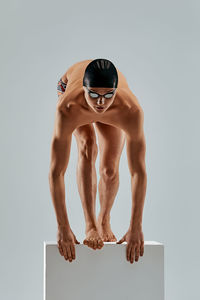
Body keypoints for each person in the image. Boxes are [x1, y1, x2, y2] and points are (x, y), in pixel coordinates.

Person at [48, 58, 147, 264]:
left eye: (107, 95)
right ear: (84, 89)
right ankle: (90, 225)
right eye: (93, 94)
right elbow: (56, 172)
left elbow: (138, 171)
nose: (100, 102)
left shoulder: (130, 110)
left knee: (109, 170)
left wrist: (135, 226)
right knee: (88, 144)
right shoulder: (68, 107)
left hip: (114, 106)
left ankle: (104, 220)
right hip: (68, 86)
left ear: (115, 91)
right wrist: (63, 227)